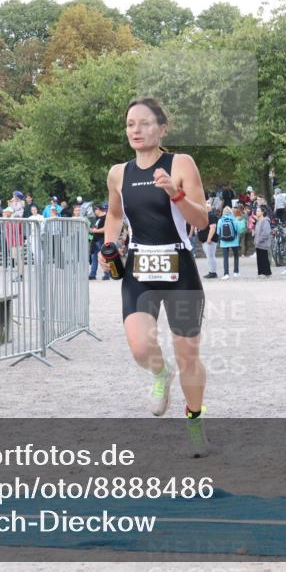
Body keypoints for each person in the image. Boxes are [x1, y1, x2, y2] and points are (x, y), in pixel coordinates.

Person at [98, 97, 210, 457]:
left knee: (188, 355)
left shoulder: (180, 163)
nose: (136, 130)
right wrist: (109, 245)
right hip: (139, 269)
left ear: (162, 128)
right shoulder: (119, 173)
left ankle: (194, 420)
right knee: (140, 347)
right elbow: (114, 216)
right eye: (130, 123)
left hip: (179, 267)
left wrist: (175, 194)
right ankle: (161, 375)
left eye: (145, 123)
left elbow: (201, 220)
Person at [217, 207, 243, 279]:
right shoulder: (234, 220)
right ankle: (236, 272)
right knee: (236, 256)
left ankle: (226, 274)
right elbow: (239, 231)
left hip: (224, 242)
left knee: (225, 258)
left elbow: (218, 232)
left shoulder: (220, 221)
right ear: (231, 212)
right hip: (234, 241)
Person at [197, 206, 219, 279]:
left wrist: (209, 238)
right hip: (205, 240)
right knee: (209, 257)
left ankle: (213, 272)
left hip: (209, 240)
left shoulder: (211, 216)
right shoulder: (207, 216)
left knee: (211, 256)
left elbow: (213, 227)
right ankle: (211, 271)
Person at [89, 204, 108, 280]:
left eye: (95, 210)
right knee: (94, 257)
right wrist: (92, 229)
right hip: (96, 240)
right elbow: (96, 227)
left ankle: (107, 274)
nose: (94, 211)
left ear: (98, 209)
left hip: (101, 239)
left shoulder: (106, 217)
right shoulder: (98, 218)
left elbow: (105, 229)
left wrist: (95, 230)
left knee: (104, 257)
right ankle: (92, 274)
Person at [252, 206, 272, 277]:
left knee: (264, 258)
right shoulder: (258, 221)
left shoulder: (265, 221)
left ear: (262, 212)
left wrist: (259, 240)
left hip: (263, 244)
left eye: (258, 211)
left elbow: (266, 233)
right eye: (256, 211)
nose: (256, 212)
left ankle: (267, 272)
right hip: (258, 244)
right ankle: (260, 272)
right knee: (259, 259)